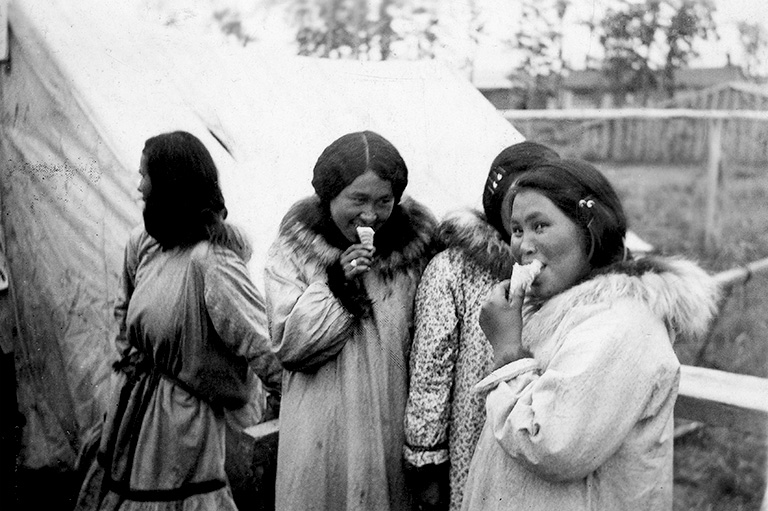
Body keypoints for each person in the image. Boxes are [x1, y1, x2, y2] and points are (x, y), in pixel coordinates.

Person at [460, 158, 721, 510]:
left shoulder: (621, 325)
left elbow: (551, 444)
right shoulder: (562, 308)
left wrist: (508, 351)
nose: (523, 245)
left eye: (540, 225)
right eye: (518, 230)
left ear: (591, 230)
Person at [75, 130, 282, 511]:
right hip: (134, 412)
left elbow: (261, 343)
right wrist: (129, 372)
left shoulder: (212, 263)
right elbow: (125, 314)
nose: (138, 186)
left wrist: (289, 404)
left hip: (183, 426)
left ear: (170, 184)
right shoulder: (146, 246)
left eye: (145, 175)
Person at [264, 130, 437, 511]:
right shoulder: (295, 249)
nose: (370, 215)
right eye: (357, 199)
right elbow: (290, 347)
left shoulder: (417, 251)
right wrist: (338, 286)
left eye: (384, 201)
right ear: (328, 196)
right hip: (320, 433)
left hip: (390, 431)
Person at [403, 141, 560, 511]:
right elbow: (431, 370)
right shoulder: (454, 270)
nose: (527, 219)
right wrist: (426, 462)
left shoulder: (561, 273)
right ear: (496, 206)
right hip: (473, 435)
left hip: (542, 437)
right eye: (515, 208)